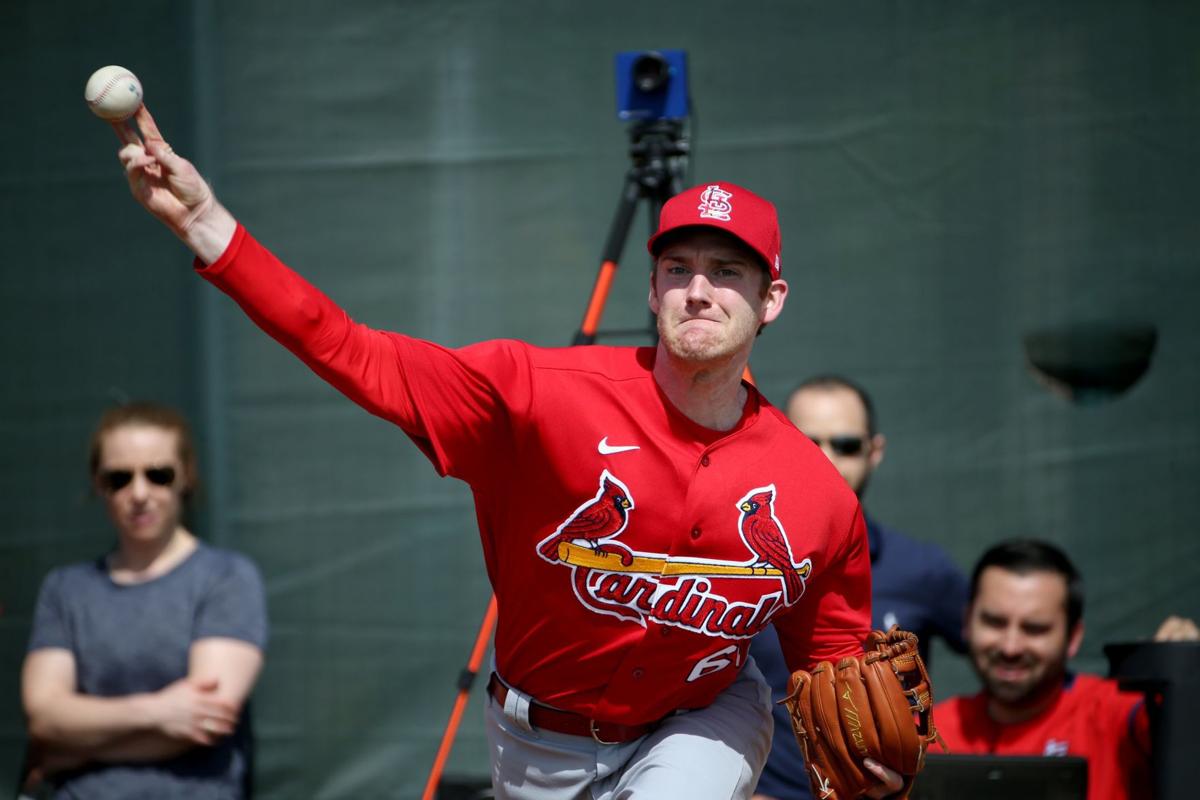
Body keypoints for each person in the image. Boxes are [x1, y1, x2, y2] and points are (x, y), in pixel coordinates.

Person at [104, 105, 910, 799]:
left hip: (705, 716)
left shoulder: (815, 493)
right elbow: (350, 349)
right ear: (652, 286)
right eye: (678, 267)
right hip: (537, 739)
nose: (698, 289)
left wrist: (865, 757)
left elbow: (831, 662)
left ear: (771, 298)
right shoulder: (534, 393)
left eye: (726, 271)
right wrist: (209, 224)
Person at [20, 403, 268, 799]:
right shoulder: (64, 589)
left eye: (158, 474)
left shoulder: (227, 577)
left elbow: (205, 720)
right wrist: (158, 711)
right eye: (120, 478)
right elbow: (46, 717)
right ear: (98, 484)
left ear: (185, 476)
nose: (139, 493)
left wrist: (74, 752)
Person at [751, 376, 969, 800]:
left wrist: (910, 769)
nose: (827, 458)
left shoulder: (923, 570)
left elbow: (1010, 656)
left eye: (846, 445)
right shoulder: (737, 566)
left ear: (875, 452)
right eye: (808, 441)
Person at [935, 538, 1199, 800]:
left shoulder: (1117, 714)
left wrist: (1185, 676)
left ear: (1073, 638)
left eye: (1035, 628)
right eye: (994, 622)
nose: (1010, 647)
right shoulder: (929, 733)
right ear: (967, 622)